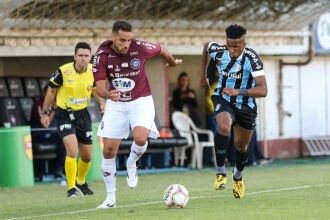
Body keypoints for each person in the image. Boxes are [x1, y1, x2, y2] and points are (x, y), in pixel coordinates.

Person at [92, 20, 182, 209]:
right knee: (108, 150)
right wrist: (108, 94)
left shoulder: (140, 48)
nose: (126, 44)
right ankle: (110, 199)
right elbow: (99, 86)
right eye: (122, 40)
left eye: (129, 40)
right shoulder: (101, 55)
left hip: (141, 101)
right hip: (116, 102)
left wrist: (172, 62)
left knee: (140, 138)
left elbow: (161, 49)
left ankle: (131, 163)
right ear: (113, 37)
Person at [200, 24, 268, 198]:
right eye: (229, 45)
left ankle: (238, 177)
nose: (231, 50)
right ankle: (221, 172)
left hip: (246, 105)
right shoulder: (219, 51)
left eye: (236, 46)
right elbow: (207, 46)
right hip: (223, 97)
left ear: (244, 43)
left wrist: (238, 91)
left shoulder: (252, 59)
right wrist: (204, 75)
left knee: (241, 146)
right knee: (223, 127)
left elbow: (263, 90)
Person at [41, 42, 105, 197]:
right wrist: (44, 112)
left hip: (83, 114)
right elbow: (51, 92)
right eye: (80, 56)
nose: (83, 59)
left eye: (86, 56)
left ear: (90, 57)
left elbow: (95, 89)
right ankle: (71, 188)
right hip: (64, 114)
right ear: (74, 56)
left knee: (87, 156)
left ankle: (81, 182)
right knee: (72, 150)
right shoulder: (63, 71)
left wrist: (101, 103)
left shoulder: (93, 71)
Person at [30, 85, 65, 179]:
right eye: (50, 92)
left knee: (66, 137)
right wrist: (53, 109)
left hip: (52, 133)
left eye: (53, 92)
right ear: (44, 93)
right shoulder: (39, 104)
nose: (52, 95)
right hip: (40, 133)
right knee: (62, 138)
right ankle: (58, 171)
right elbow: (46, 124)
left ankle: (60, 170)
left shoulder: (58, 103)